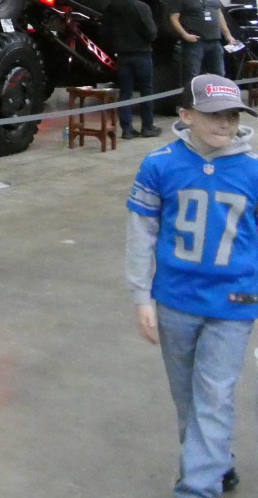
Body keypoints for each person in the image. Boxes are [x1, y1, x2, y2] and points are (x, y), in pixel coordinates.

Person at [126, 74, 258, 498]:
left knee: (214, 394)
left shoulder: (253, 171)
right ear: (185, 115)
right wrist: (141, 296)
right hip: (176, 301)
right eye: (215, 115)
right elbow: (142, 233)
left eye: (233, 115)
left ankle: (198, 488)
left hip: (234, 301)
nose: (226, 124)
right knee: (187, 397)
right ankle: (217, 465)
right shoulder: (160, 165)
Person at [104, 0, 163, 140]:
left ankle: (127, 129)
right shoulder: (142, 7)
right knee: (146, 91)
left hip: (122, 55)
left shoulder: (112, 6)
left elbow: (106, 31)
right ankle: (147, 126)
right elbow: (151, 32)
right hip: (142, 54)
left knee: (125, 93)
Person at [170, 0, 237, 84]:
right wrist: (185, 35)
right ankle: (191, 96)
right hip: (194, 42)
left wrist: (228, 35)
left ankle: (217, 96)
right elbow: (173, 17)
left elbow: (218, 14)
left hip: (214, 40)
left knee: (219, 73)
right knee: (192, 75)